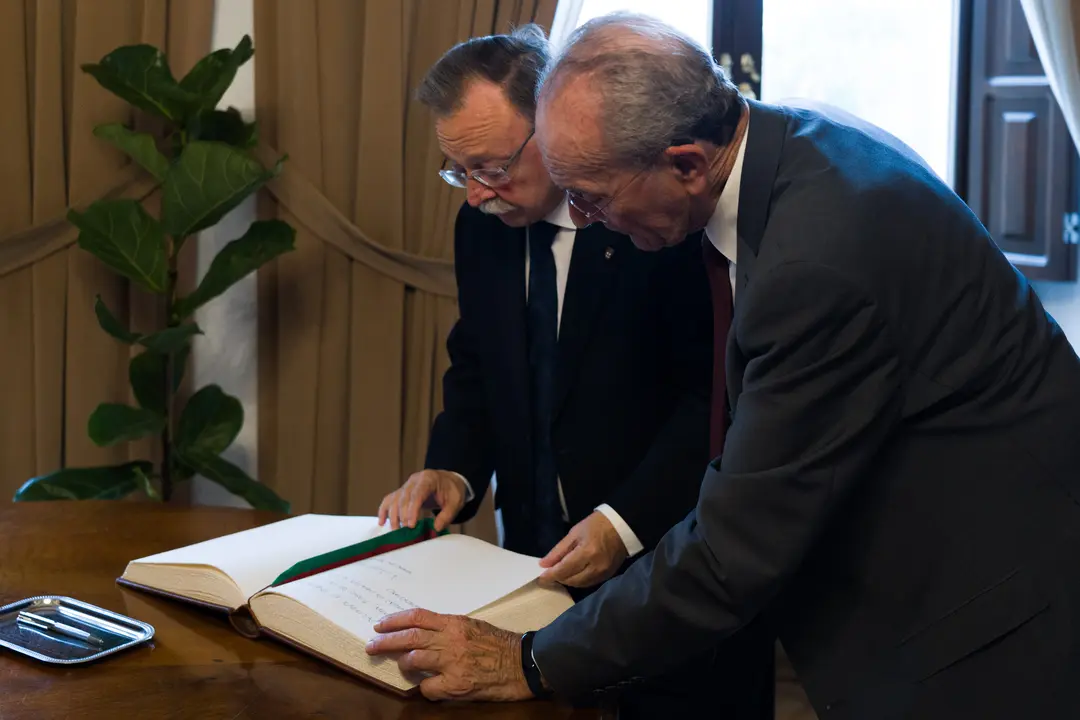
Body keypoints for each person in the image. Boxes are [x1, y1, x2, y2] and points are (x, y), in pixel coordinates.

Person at [366, 13, 1080, 719]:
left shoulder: (814, 265)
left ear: (684, 162)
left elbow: (736, 545)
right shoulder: (794, 145)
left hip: (986, 619)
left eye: (594, 196)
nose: (581, 218)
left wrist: (529, 660)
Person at [374, 24, 774, 718]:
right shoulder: (482, 225)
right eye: (458, 171)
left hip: (667, 567)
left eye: (492, 167)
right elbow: (478, 360)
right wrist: (455, 470)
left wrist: (623, 523)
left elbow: (714, 396)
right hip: (535, 567)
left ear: (553, 128)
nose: (475, 193)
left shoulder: (658, 217)